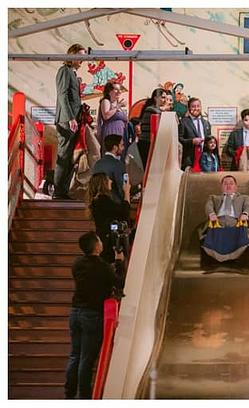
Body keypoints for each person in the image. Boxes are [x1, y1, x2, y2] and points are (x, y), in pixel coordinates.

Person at [64, 231, 121, 399]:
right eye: (100, 241)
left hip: (75, 312)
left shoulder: (77, 264)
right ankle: (84, 395)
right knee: (86, 359)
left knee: (75, 355)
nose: (101, 243)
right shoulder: (103, 267)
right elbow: (118, 282)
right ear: (96, 246)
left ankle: (69, 392)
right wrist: (119, 262)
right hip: (92, 314)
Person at [53, 44, 87, 200]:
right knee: (64, 155)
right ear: (71, 56)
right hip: (67, 121)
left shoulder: (72, 73)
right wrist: (70, 118)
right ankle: (58, 192)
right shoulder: (64, 71)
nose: (82, 60)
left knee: (70, 157)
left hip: (73, 120)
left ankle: (63, 191)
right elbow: (63, 95)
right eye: (80, 56)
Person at [202, 175, 249, 262]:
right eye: (225, 184)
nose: (228, 186)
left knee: (241, 235)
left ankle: (235, 254)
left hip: (236, 222)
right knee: (211, 233)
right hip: (217, 222)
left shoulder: (244, 198)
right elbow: (208, 206)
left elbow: (248, 206)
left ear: (236, 186)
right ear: (221, 187)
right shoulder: (214, 198)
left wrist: (245, 214)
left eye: (231, 183)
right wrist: (211, 214)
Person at [83, 176, 130, 264]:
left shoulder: (97, 201)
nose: (111, 181)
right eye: (108, 179)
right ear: (103, 183)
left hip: (104, 238)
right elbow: (124, 212)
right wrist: (127, 192)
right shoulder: (102, 200)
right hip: (108, 241)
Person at [136, 88, 170, 166]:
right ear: (155, 98)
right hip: (146, 143)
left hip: (155, 143)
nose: (165, 100)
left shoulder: (160, 109)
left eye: (166, 98)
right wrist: (163, 109)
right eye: (163, 97)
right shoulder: (150, 109)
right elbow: (157, 113)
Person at [91, 135, 129, 203]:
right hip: (114, 204)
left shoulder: (97, 164)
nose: (123, 148)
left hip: (97, 203)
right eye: (121, 145)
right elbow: (122, 187)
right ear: (115, 147)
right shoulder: (118, 164)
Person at [178, 97, 210, 171]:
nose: (196, 108)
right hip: (189, 160)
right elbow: (179, 139)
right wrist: (192, 141)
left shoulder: (206, 123)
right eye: (193, 106)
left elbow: (208, 139)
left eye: (198, 106)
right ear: (189, 108)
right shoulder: (183, 122)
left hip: (204, 161)